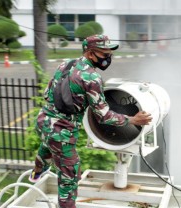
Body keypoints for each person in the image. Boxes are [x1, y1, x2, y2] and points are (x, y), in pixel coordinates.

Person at [28, 34, 152, 208]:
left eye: (110, 52)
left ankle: (37, 172)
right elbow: (104, 116)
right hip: (61, 131)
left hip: (43, 120)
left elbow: (48, 93)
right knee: (69, 178)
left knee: (47, 144)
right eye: (104, 53)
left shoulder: (66, 63)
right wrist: (133, 119)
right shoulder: (92, 78)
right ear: (90, 53)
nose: (108, 57)